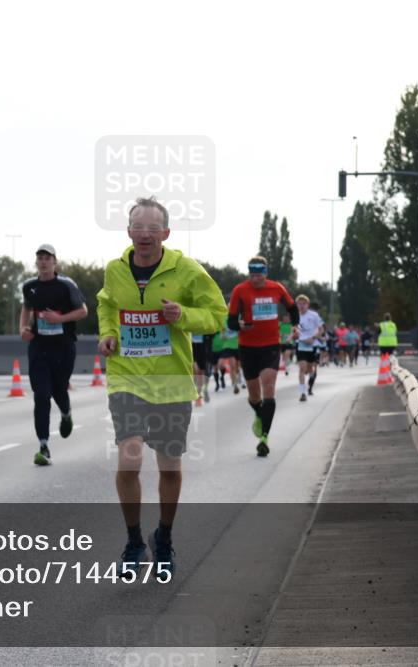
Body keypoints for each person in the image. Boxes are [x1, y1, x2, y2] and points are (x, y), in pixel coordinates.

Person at [97, 196, 226, 580]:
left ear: (165, 233)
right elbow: (106, 305)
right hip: (127, 376)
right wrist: (107, 333)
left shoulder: (186, 271)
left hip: (171, 381)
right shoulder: (115, 270)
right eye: (138, 227)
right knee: (130, 459)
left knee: (169, 466)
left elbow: (217, 316)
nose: (145, 235)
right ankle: (134, 540)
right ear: (129, 232)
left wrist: (182, 316)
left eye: (153, 229)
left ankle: (164, 538)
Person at [20, 244, 88, 466]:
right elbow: (26, 309)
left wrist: (59, 319)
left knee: (59, 389)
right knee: (41, 394)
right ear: (36, 262)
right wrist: (23, 329)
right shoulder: (29, 286)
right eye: (39, 258)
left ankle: (66, 414)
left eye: (47, 258)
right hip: (39, 346)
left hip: (64, 346)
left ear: (54, 261)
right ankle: (43, 446)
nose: (43, 262)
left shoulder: (66, 285)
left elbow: (83, 311)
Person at [227, 257, 299, 457]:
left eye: (259, 274)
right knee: (254, 395)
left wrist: (295, 326)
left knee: (268, 386)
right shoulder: (240, 290)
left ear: (265, 273)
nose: (255, 277)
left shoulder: (276, 288)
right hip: (247, 347)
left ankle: (264, 438)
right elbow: (231, 322)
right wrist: (241, 325)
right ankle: (259, 413)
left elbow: (292, 308)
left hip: (270, 346)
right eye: (252, 273)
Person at [293, 295, 324, 402]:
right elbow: (294, 330)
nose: (301, 306)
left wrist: (313, 337)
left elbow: (321, 330)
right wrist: (296, 336)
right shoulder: (295, 316)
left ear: (308, 305)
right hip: (301, 345)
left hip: (312, 345)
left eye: (303, 304)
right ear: (296, 305)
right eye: (299, 304)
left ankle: (311, 375)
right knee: (302, 369)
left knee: (310, 369)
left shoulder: (314, 315)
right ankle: (302, 393)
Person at [191, 332, 214, 405]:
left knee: (203, 372)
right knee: (197, 371)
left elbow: (212, 331)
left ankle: (205, 390)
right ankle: (198, 395)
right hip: (191, 344)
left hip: (204, 345)